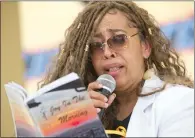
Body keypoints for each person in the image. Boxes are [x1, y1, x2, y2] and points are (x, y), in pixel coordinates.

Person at [40, 1, 194, 137]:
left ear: (145, 47)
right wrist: (78, 125)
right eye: (96, 45)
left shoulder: (179, 101)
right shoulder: (84, 113)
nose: (107, 52)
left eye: (118, 39)